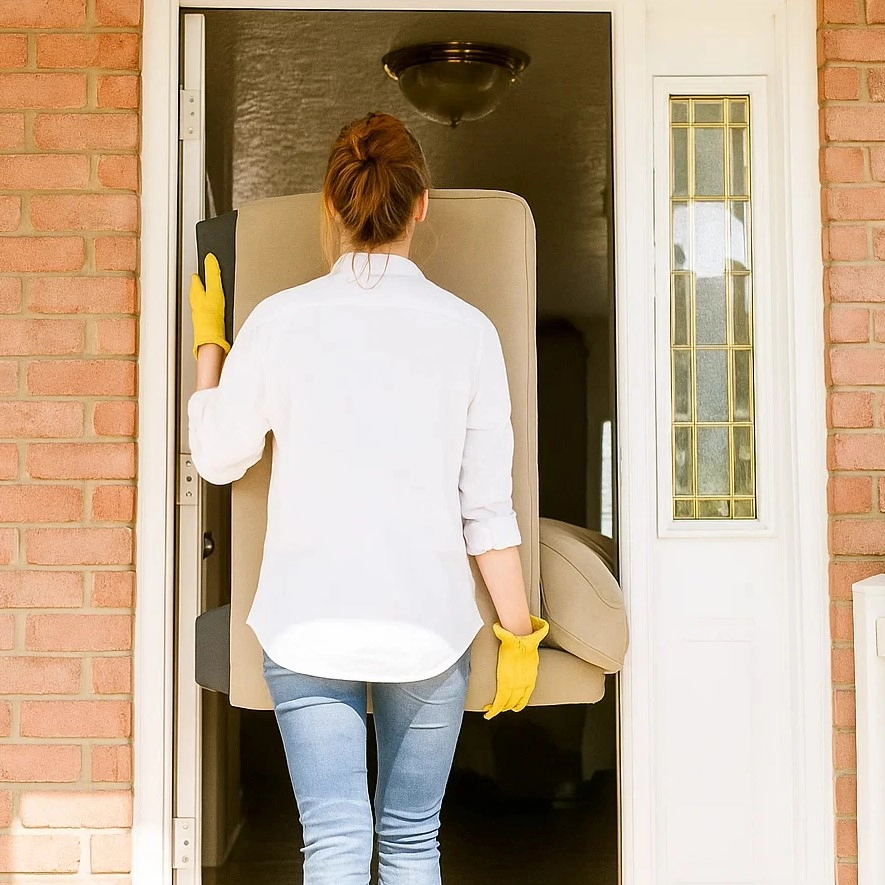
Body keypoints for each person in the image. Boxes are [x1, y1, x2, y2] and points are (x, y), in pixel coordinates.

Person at [187, 110, 549, 885]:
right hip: (425, 628)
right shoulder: (468, 332)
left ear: (332, 204)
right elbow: (486, 512)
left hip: (306, 623)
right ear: (421, 205)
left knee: (336, 844)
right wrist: (519, 635)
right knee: (413, 841)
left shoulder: (278, 322)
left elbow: (217, 457)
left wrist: (209, 345)